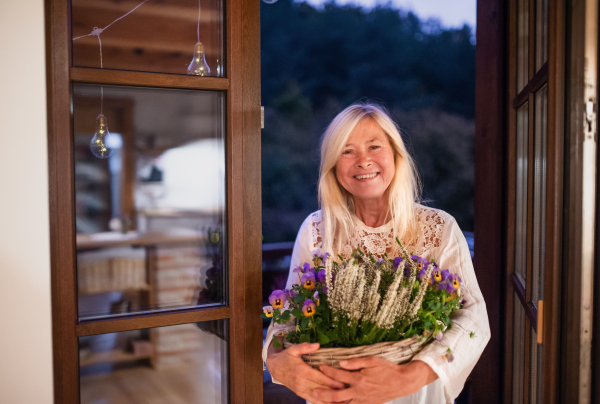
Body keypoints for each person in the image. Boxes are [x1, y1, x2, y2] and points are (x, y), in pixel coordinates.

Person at [262, 103, 490, 404]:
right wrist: (276, 361)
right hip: (334, 394)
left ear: (396, 155)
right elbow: (287, 316)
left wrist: (410, 377)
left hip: (410, 395)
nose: (363, 161)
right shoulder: (316, 228)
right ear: (333, 164)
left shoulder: (439, 227)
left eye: (374, 146)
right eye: (347, 151)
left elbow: (474, 317)